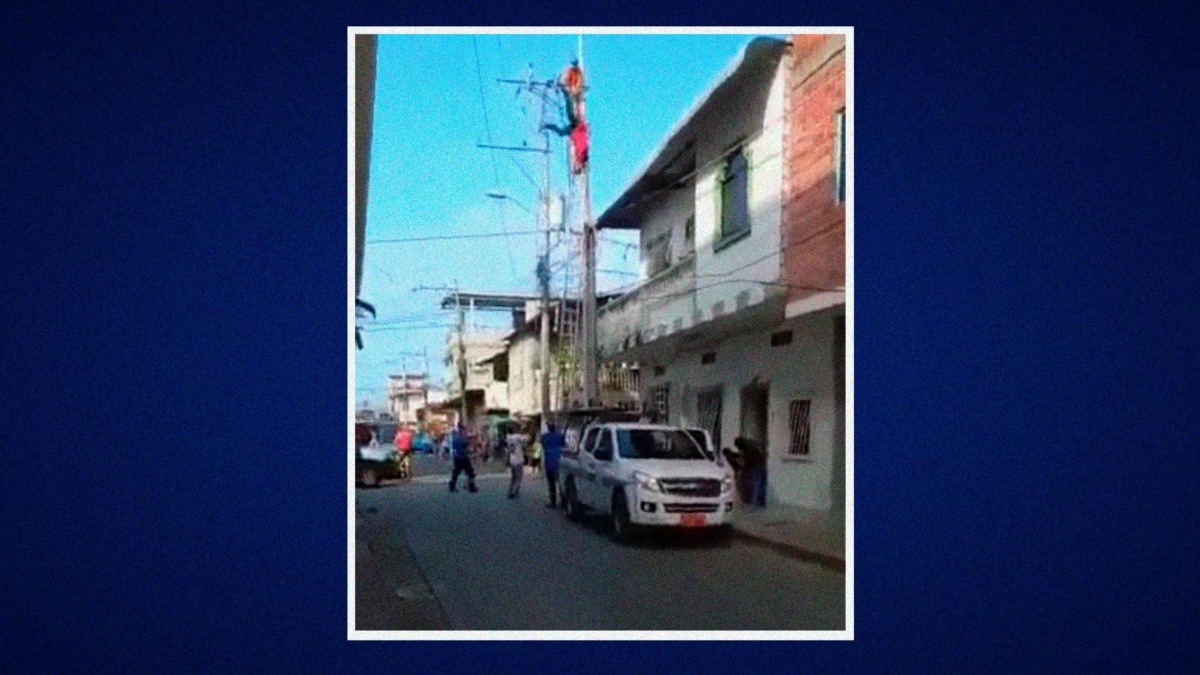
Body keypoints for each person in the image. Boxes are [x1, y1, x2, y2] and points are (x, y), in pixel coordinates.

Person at [735, 437, 767, 508]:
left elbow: (748, 461)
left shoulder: (747, 449)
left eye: (738, 447)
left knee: (755, 484)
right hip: (761, 465)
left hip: (755, 466)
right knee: (760, 484)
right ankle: (760, 502)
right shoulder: (751, 444)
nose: (738, 449)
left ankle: (754, 502)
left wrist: (744, 469)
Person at [540, 422, 566, 508]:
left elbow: (543, 445)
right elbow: (563, 445)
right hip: (559, 461)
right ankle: (563, 501)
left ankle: (553, 501)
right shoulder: (560, 436)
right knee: (561, 482)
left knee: (551, 483)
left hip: (549, 462)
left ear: (548, 428)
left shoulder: (544, 437)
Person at [449, 423, 478, 493]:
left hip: (457, 457)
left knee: (456, 472)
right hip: (463, 457)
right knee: (470, 472)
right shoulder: (463, 438)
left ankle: (452, 486)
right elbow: (467, 445)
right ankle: (471, 487)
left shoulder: (455, 438)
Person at [505, 425, 528, 499]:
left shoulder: (508, 437)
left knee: (513, 477)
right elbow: (526, 438)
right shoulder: (517, 437)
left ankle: (510, 491)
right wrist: (523, 431)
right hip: (518, 460)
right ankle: (515, 492)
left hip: (512, 460)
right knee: (519, 477)